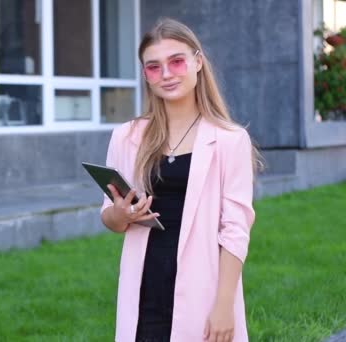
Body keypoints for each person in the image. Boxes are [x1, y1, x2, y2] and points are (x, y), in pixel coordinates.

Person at [100, 18, 263, 342]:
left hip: (204, 287)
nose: (166, 74)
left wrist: (224, 305)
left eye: (176, 61)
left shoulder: (230, 140)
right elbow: (111, 217)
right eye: (153, 67)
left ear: (198, 62)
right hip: (144, 286)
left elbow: (235, 230)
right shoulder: (127, 136)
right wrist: (121, 214)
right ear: (145, 74)